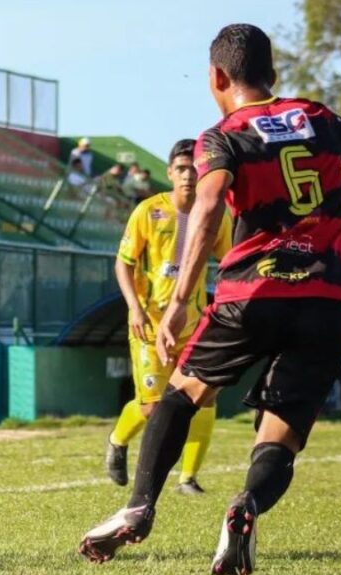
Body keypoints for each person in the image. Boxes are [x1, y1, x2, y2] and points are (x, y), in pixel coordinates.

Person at [77, 24, 341, 575]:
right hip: (327, 297)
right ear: (272, 74)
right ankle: (245, 506)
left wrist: (178, 301)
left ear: (217, 77)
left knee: (181, 395)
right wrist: (320, 174)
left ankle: (139, 504)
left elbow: (206, 207)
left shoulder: (223, 133)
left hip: (253, 292)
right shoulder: (318, 118)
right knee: (282, 435)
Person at [105, 139, 231, 495]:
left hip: (195, 323)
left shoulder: (217, 213)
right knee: (152, 408)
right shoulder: (148, 211)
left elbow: (231, 260)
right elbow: (124, 263)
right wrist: (134, 307)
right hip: (149, 322)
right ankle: (117, 441)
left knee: (204, 396)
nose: (188, 175)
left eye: (193, 168)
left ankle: (188, 478)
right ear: (170, 173)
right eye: (181, 168)